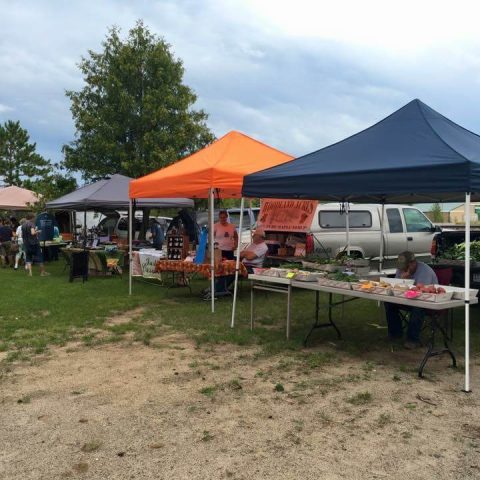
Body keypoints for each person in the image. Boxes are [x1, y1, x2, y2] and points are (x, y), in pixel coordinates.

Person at [384, 251, 438, 349]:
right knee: (389, 302)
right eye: (401, 267)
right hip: (406, 299)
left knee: (418, 306)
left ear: (413, 263)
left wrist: (407, 282)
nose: (403, 269)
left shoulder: (425, 271)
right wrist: (402, 280)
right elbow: (396, 288)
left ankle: (413, 339)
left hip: (426, 301)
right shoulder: (401, 270)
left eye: (405, 267)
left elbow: (422, 292)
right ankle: (396, 333)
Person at [204, 228, 268, 299]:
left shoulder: (263, 247)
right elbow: (241, 254)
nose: (252, 236)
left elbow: (250, 257)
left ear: (260, 237)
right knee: (225, 268)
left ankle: (217, 290)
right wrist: (246, 254)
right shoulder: (253, 245)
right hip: (244, 265)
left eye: (254, 235)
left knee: (232, 270)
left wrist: (245, 254)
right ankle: (217, 288)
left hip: (253, 268)